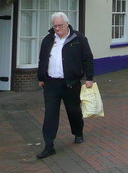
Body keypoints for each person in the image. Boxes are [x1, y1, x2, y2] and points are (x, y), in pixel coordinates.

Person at [36, 12, 94, 159]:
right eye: (54, 26)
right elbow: (42, 59)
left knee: (73, 110)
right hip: (51, 83)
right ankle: (49, 145)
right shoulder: (48, 40)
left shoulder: (78, 38)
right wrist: (41, 77)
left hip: (70, 82)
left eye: (60, 25)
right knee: (50, 114)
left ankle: (78, 132)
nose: (57, 28)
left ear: (67, 24)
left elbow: (87, 58)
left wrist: (89, 78)